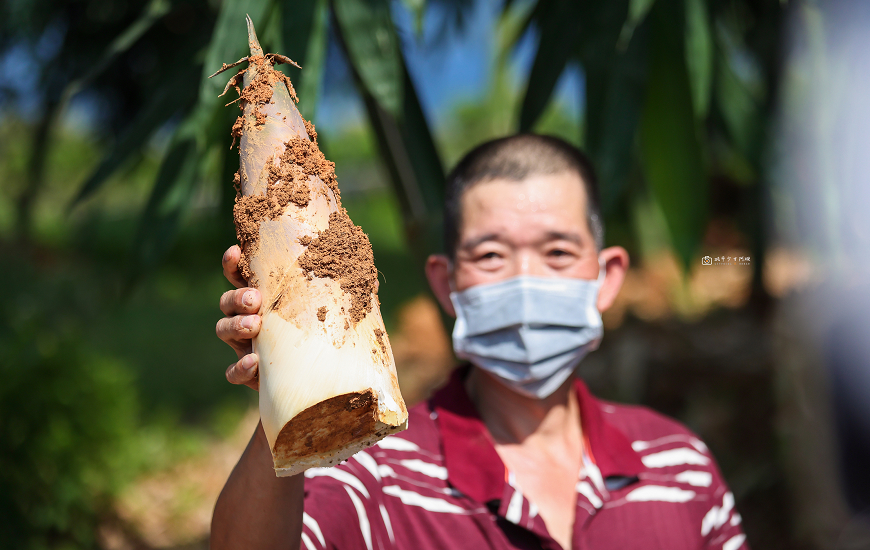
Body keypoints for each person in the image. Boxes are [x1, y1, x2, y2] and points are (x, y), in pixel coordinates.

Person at [211, 134, 748, 550]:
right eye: (491, 256)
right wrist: (286, 392)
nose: (525, 282)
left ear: (606, 277)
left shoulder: (680, 465)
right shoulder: (376, 474)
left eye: (558, 253)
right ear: (446, 283)